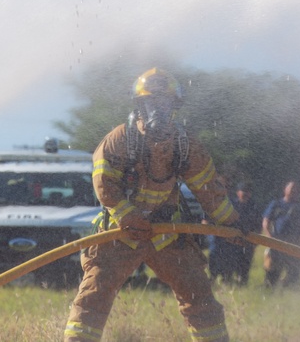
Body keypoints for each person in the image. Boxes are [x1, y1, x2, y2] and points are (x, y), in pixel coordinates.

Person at [65, 68, 240, 342]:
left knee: (198, 294)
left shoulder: (186, 146)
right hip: (120, 233)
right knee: (94, 293)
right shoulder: (119, 140)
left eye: (164, 103)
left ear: (174, 107)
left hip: (165, 233)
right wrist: (127, 215)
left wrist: (232, 224)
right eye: (151, 102)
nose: (157, 109)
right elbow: (104, 185)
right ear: (139, 105)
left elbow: (209, 191)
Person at [207, 181, 258, 286]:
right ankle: (217, 283)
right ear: (237, 192)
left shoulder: (254, 207)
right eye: (243, 191)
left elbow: (258, 224)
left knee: (243, 268)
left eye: (247, 191)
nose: (245, 194)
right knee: (221, 267)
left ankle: (240, 285)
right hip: (226, 242)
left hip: (246, 242)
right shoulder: (229, 205)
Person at [262, 181, 300, 290]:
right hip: (278, 241)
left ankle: (290, 289)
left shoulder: (299, 207)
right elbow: (266, 221)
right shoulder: (276, 204)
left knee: (294, 270)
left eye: (295, 189)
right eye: (291, 188)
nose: (293, 191)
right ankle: (270, 289)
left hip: (294, 242)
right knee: (273, 269)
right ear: (285, 189)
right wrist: (270, 238)